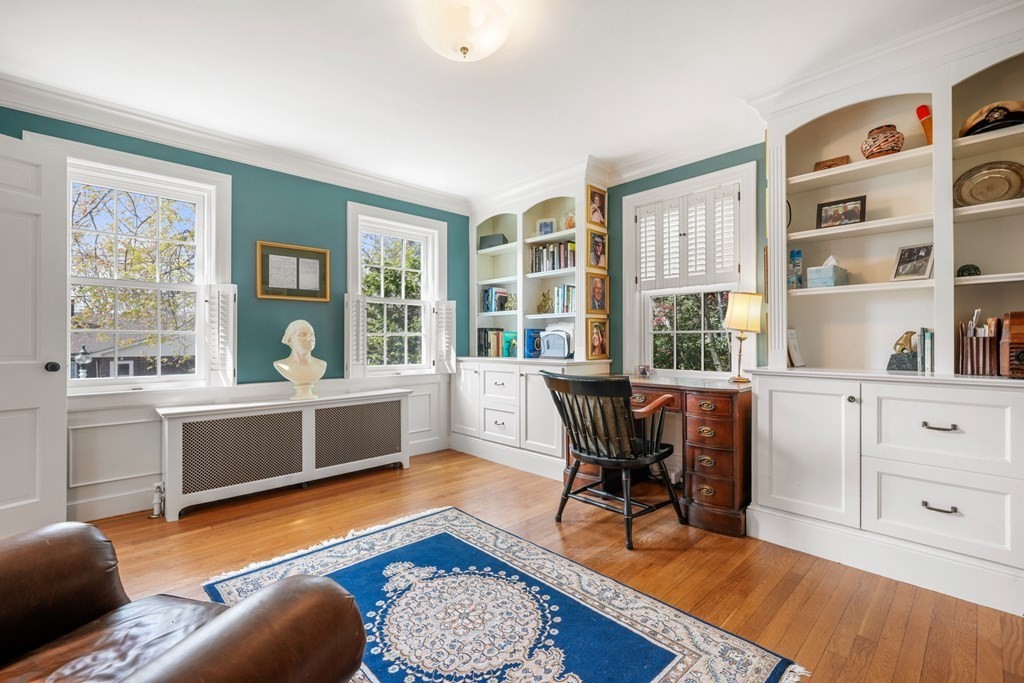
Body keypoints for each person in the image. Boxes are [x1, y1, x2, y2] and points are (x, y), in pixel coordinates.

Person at [273, 319, 327, 400]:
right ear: (290, 339)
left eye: (312, 334)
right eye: (302, 334)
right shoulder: (281, 365)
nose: (309, 339)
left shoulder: (321, 365)